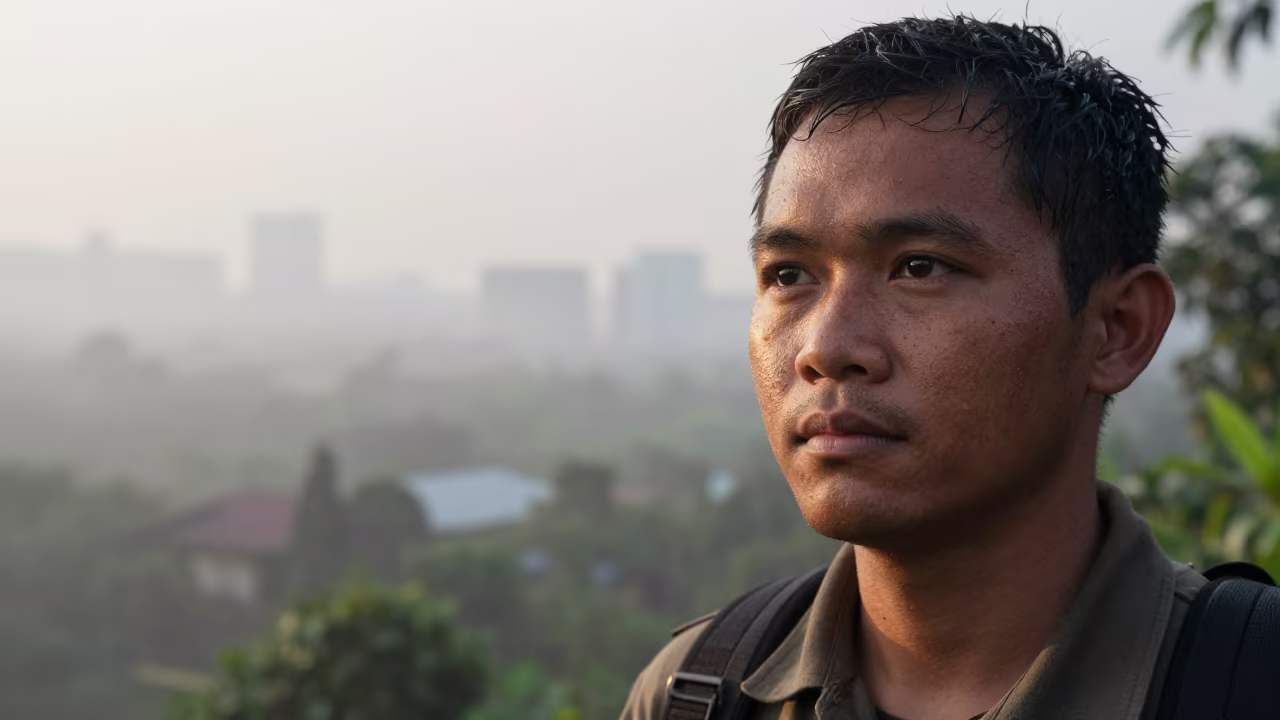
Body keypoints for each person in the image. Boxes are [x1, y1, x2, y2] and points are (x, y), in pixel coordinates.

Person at [619, 15, 1206, 720]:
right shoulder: (697, 693)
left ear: (1117, 330)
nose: (825, 348)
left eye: (919, 267)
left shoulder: (1248, 680)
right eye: (789, 274)